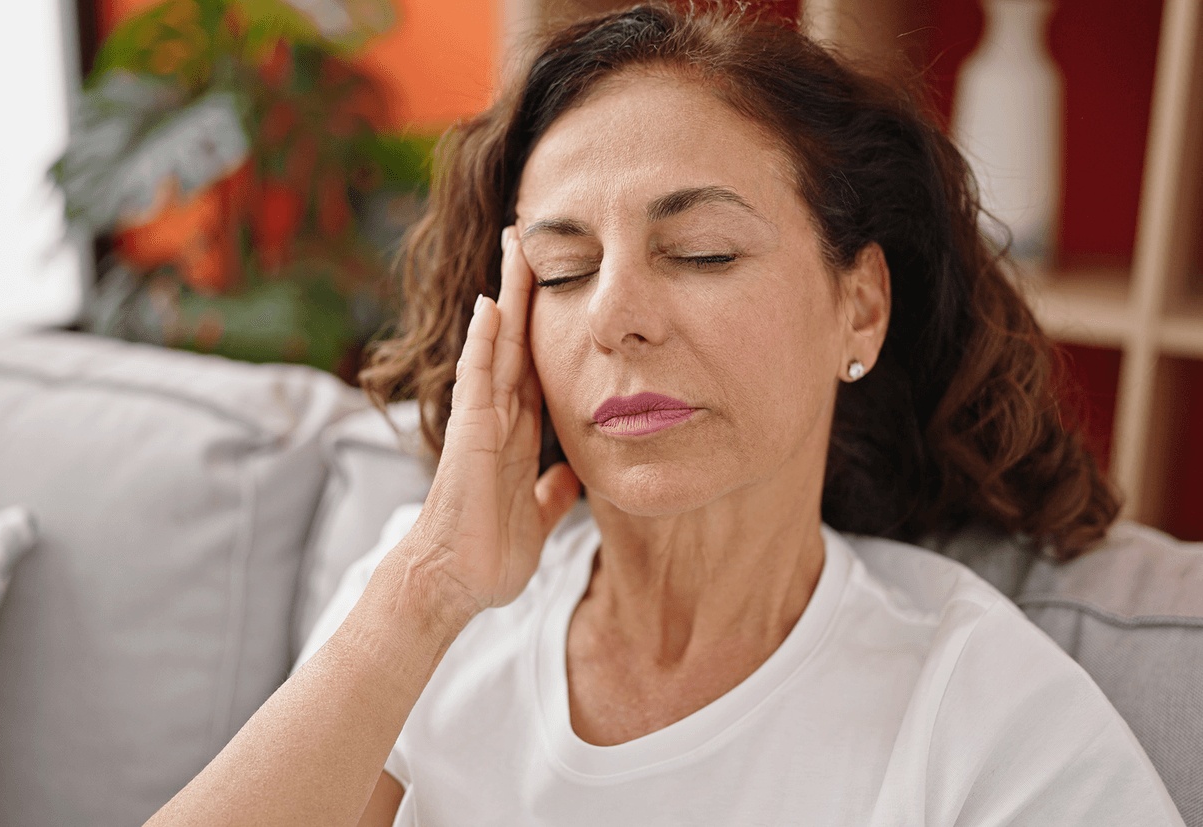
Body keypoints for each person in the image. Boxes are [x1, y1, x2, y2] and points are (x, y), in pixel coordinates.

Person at [146, 4, 1186, 825]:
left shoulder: (975, 704)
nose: (614, 316)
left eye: (701, 253)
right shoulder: (422, 608)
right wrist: (427, 591)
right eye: (561, 269)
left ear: (856, 304)